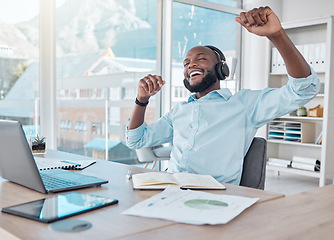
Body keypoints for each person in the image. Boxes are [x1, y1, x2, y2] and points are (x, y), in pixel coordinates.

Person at [126, 6, 320, 185]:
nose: (191, 65)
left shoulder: (244, 104)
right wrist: (141, 100)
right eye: (186, 63)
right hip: (171, 188)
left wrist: (277, 36)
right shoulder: (179, 111)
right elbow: (136, 140)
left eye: (200, 59)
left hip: (213, 195)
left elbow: (303, 89)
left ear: (221, 69)